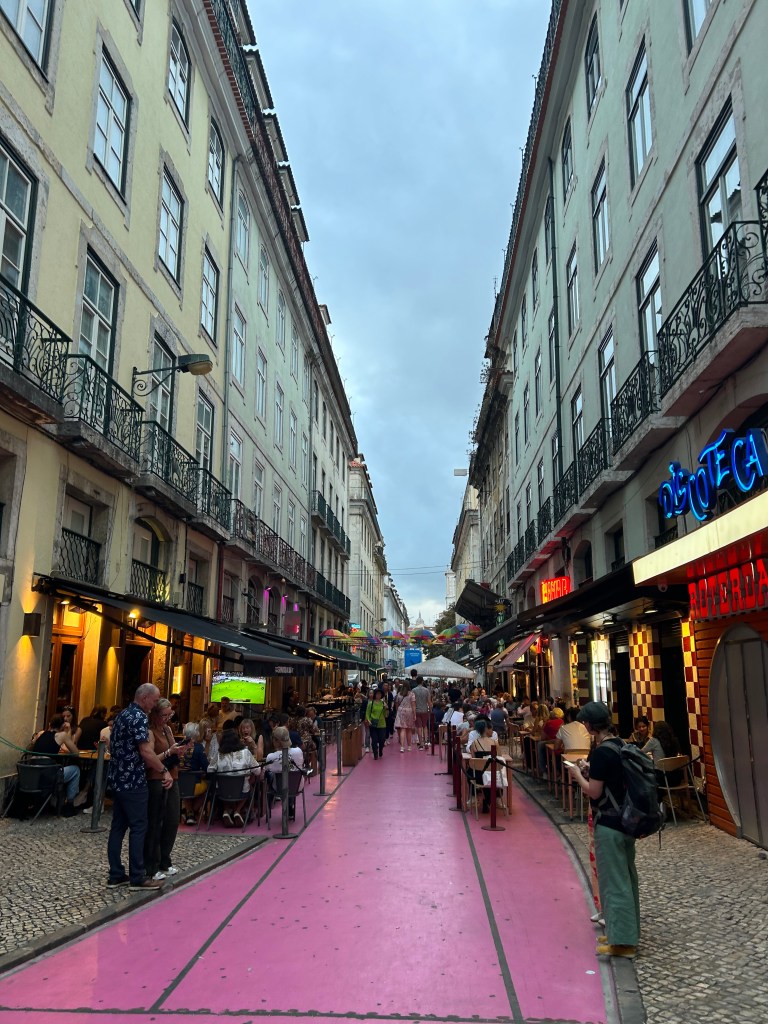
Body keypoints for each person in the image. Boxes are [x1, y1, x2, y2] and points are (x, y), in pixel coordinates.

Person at [568, 701, 640, 959]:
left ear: (589, 725)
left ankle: (623, 944)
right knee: (628, 878)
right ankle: (626, 933)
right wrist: (590, 771)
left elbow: (594, 791)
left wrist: (577, 773)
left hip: (608, 823)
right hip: (626, 820)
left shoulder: (600, 752)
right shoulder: (620, 745)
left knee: (613, 882)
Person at [106, 683, 173, 891]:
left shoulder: (122, 715)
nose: (154, 705)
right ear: (144, 698)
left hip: (118, 779)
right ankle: (138, 876)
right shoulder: (139, 718)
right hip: (133, 780)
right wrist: (163, 770)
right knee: (139, 826)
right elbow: (145, 751)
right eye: (154, 700)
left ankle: (116, 873)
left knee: (118, 826)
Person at [145, 698, 186, 881]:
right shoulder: (150, 732)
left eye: (170, 715)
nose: (167, 718)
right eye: (164, 715)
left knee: (172, 819)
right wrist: (169, 752)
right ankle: (152, 864)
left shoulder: (168, 729)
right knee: (156, 822)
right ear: (154, 714)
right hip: (156, 779)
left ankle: (165, 860)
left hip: (173, 775)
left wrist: (178, 751)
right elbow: (151, 757)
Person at [31, 714, 81, 816]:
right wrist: (69, 730)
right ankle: (69, 805)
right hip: (48, 776)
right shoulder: (61, 735)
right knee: (75, 770)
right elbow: (76, 753)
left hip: (33, 774)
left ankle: (52, 802)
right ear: (62, 725)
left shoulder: (41, 733)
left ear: (50, 723)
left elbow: (32, 745)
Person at [212, 725, 261, 827]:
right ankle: (237, 811)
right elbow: (257, 770)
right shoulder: (246, 753)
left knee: (224, 785)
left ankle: (226, 811)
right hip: (241, 790)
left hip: (223, 791)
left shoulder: (218, 754)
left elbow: (210, 770)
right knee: (248, 786)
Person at [179, 721, 209, 824]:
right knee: (208, 787)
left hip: (179, 785)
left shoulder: (177, 745)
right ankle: (192, 812)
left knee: (186, 787)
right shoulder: (199, 748)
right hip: (195, 785)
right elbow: (206, 767)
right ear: (196, 734)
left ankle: (187, 811)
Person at [538, 707, 565, 777]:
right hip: (564, 746)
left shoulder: (548, 723)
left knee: (540, 745)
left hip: (555, 745)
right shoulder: (563, 722)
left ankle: (544, 771)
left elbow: (542, 738)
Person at [410, 672, 431, 749]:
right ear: (422, 681)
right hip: (425, 710)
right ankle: (426, 741)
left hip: (417, 710)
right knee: (425, 726)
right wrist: (430, 709)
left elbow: (412, 702)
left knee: (419, 727)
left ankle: (421, 743)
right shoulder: (426, 690)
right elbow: (429, 701)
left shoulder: (413, 690)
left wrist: (413, 711)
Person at [393, 681, 416, 752]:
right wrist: (414, 714)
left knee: (402, 729)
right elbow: (413, 705)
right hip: (409, 711)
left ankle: (402, 747)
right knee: (409, 729)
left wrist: (398, 711)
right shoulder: (412, 694)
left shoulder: (399, 694)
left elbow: (396, 704)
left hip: (401, 711)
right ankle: (409, 746)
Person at [365, 689, 387, 760]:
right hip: (373, 724)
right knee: (374, 739)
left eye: (380, 694)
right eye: (377, 694)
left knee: (382, 739)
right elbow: (367, 714)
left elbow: (386, 715)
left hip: (382, 724)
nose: (378, 695)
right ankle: (375, 752)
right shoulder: (371, 704)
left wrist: (386, 709)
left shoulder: (383, 703)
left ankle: (380, 749)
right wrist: (369, 720)